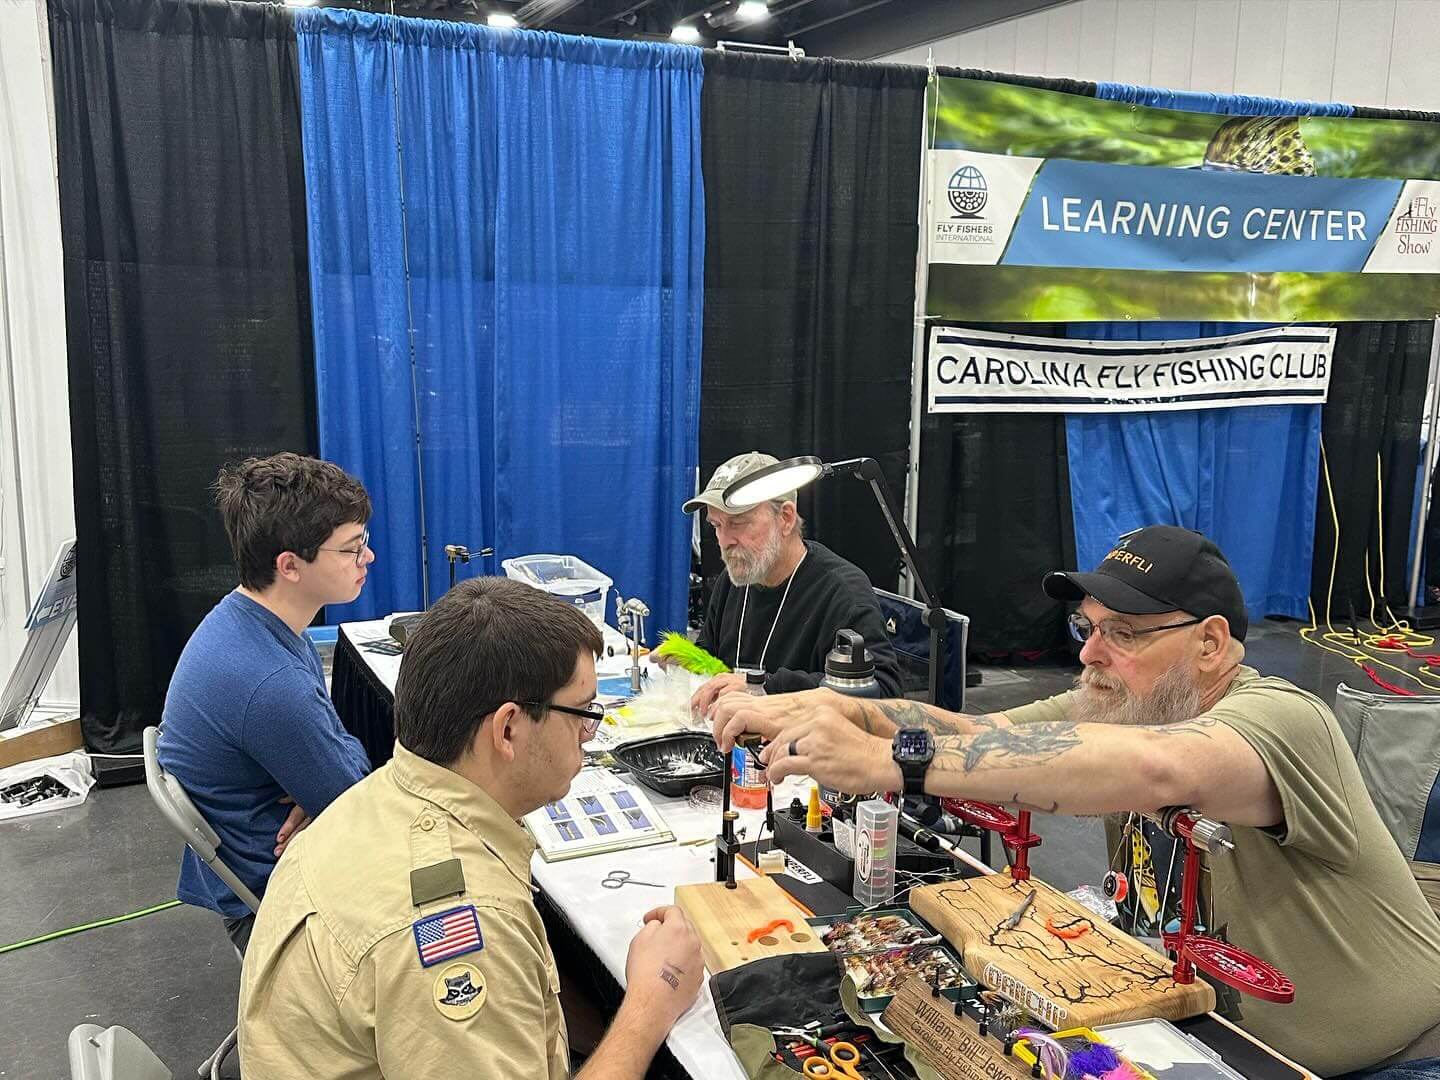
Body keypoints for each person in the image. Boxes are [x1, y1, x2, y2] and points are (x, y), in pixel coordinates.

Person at [712, 525, 1440, 1078]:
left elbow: (1161, 770)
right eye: (1087, 630)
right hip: (1201, 1035)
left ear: (1212, 645)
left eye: (1123, 634)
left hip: (1386, 1063)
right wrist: (823, 706)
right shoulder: (1130, 705)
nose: (1091, 655)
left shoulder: (1280, 720)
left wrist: (891, 760)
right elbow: (980, 735)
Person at [238, 576, 704, 1079]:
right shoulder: (461, 924)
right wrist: (650, 1003)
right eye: (583, 714)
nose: (590, 736)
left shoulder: (378, 800)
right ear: (507, 730)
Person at [157, 453, 374, 954]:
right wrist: (327, 782)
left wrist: (322, 780)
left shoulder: (251, 620)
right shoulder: (270, 683)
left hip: (259, 868)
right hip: (283, 904)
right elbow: (359, 809)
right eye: (351, 548)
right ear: (290, 565)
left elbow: (338, 769)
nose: (368, 558)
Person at [682, 451, 902, 716]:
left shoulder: (842, 593)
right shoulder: (734, 581)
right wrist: (685, 661)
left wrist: (764, 688)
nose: (725, 540)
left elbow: (884, 694)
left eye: (738, 523)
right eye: (716, 525)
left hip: (807, 750)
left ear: (785, 518)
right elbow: (711, 655)